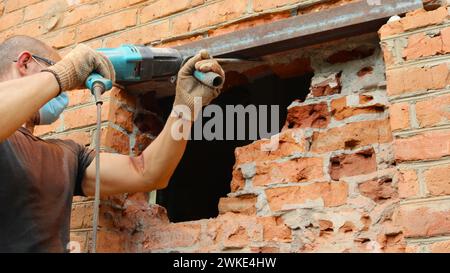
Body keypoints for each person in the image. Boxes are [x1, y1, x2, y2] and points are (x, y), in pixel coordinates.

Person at [0, 35, 225, 252]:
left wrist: (185, 107)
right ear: (25, 63)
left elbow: (148, 172)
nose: (64, 93)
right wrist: (63, 74)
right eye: (51, 67)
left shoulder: (66, 155)